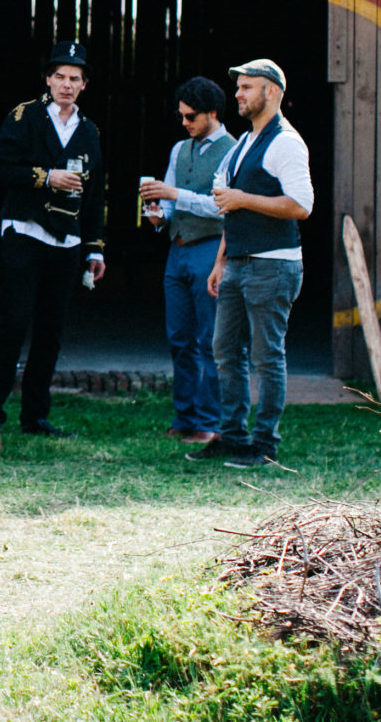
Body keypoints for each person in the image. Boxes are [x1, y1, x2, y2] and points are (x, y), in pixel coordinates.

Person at [189, 59, 313, 471]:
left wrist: (243, 199)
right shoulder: (244, 142)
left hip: (273, 266)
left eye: (247, 87)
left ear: (272, 92)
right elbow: (228, 205)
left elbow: (301, 206)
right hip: (239, 264)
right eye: (238, 87)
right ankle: (233, 437)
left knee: (266, 357)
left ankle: (265, 445)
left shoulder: (286, 143)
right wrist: (220, 260)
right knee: (225, 351)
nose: (238, 94)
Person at [0, 41, 106, 437]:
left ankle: (35, 416)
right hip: (24, 229)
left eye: (74, 78)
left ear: (84, 84)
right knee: (15, 323)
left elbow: (96, 195)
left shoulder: (89, 132)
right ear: (48, 79)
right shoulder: (24, 117)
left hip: (67, 241)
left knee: (51, 330)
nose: (66, 84)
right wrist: (46, 177)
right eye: (59, 77)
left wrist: (94, 248)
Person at [138, 76, 234, 446]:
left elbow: (223, 205)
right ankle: (185, 416)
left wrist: (173, 193)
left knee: (210, 339)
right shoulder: (180, 149)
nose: (185, 122)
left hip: (210, 249)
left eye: (191, 116)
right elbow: (172, 201)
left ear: (212, 113)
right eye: (181, 116)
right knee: (179, 338)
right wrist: (159, 213)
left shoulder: (233, 150)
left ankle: (210, 422)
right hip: (177, 249)